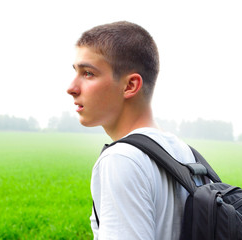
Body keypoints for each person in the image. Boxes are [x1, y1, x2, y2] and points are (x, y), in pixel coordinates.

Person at [67, 21, 197, 240]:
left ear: (130, 86)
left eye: (88, 73)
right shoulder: (186, 153)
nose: (72, 88)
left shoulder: (122, 159)